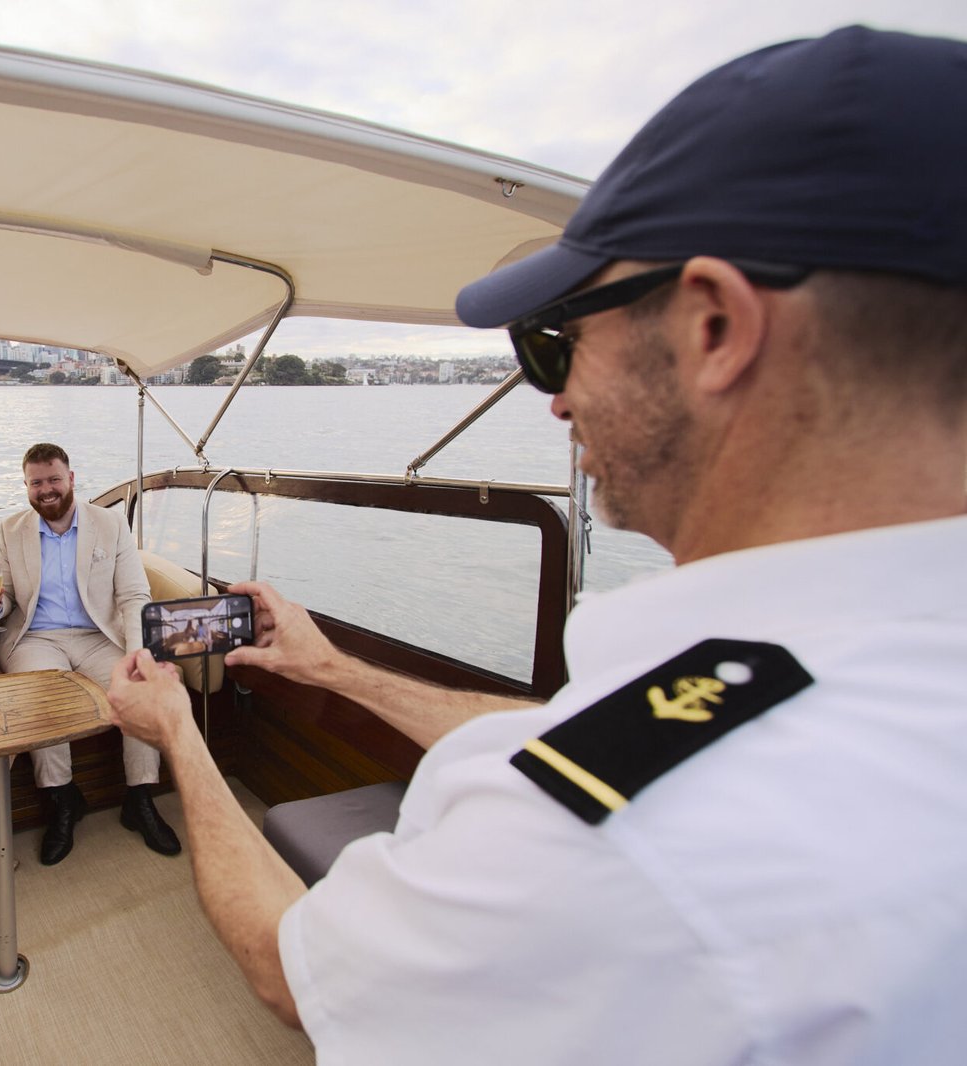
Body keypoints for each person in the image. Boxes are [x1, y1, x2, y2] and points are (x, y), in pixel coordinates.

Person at [106, 26, 967, 1064]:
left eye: (555, 342)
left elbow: (291, 967)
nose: (553, 400)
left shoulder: (608, 847)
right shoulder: (887, 672)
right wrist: (337, 670)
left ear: (713, 330)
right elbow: (584, 734)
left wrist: (178, 732)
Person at [0, 442, 181, 865]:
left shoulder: (109, 524)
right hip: (36, 638)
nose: (46, 490)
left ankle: (139, 799)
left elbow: (132, 595)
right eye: (36, 483)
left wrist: (140, 655)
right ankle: (63, 802)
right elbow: (9, 599)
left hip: (97, 635)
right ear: (26, 486)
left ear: (71, 479)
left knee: (141, 692)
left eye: (54, 479)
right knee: (43, 699)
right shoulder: (10, 530)